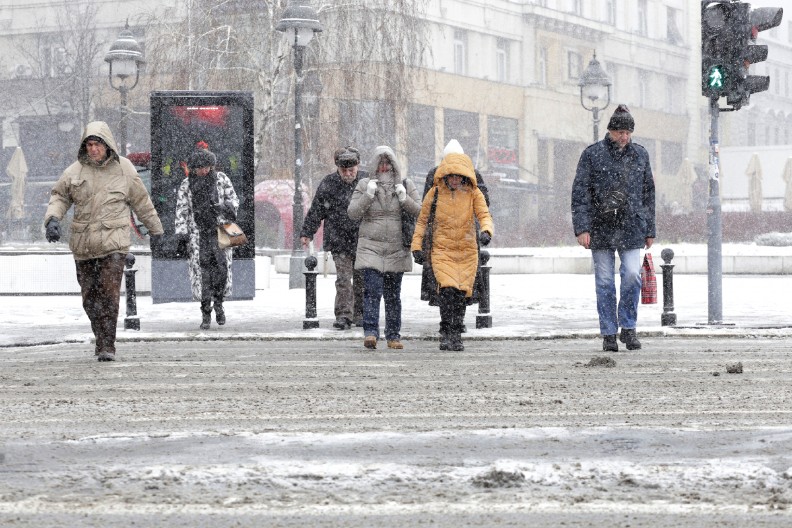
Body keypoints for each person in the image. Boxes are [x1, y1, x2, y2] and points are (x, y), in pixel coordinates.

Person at [43, 121, 164, 362]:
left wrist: (156, 232)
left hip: (114, 244)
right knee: (90, 299)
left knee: (109, 294)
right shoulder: (74, 172)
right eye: (89, 145)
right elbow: (60, 197)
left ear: (107, 145)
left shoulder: (125, 169)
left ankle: (107, 344)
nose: (93, 149)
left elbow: (142, 202)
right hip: (84, 245)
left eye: (97, 144)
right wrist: (53, 219)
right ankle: (101, 336)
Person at [571, 104, 656, 352]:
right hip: (600, 226)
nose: (624, 137)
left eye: (628, 132)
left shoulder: (640, 155)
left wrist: (649, 229)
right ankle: (609, 332)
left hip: (631, 226)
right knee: (605, 282)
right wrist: (582, 228)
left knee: (632, 275)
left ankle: (628, 327)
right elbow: (580, 193)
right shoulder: (592, 155)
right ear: (610, 131)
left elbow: (648, 194)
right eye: (620, 132)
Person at [411, 152, 493, 351]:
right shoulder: (435, 193)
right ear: (445, 175)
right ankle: (446, 331)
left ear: (465, 176)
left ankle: (456, 334)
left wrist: (486, 231)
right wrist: (416, 246)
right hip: (442, 250)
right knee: (447, 291)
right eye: (452, 176)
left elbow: (484, 215)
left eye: (459, 176)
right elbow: (422, 221)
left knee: (461, 294)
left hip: (467, 251)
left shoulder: (474, 193)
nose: (455, 180)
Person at [348, 146, 421, 350]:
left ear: (394, 164)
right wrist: (368, 195)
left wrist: (404, 199)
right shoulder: (364, 185)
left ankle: (393, 336)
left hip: (396, 249)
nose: (384, 167)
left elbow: (421, 212)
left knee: (393, 296)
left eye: (388, 163)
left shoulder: (406, 184)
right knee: (372, 292)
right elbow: (353, 213)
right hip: (370, 248)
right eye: (380, 163)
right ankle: (371, 333)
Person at [300, 146, 366, 330]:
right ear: (338, 168)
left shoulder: (366, 182)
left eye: (351, 170)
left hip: (363, 239)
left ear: (358, 166)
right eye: (344, 170)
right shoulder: (329, 183)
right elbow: (317, 210)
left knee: (361, 279)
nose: (348, 174)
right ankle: (344, 315)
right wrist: (307, 232)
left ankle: (360, 313)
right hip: (340, 239)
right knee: (344, 280)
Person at [175, 145, 239, 330]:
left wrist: (223, 207)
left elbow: (234, 200)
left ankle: (219, 303)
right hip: (198, 234)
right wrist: (182, 234)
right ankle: (205, 311)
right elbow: (181, 210)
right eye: (200, 167)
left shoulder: (221, 179)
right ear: (194, 168)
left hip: (222, 231)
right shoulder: (187, 185)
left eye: (207, 167)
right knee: (203, 274)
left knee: (221, 271)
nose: (204, 170)